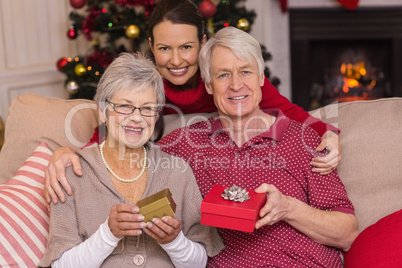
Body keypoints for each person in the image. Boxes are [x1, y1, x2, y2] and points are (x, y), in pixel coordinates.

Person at [44, 0, 342, 205]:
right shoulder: (146, 85)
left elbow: (288, 111)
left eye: (186, 47)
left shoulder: (226, 81)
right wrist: (68, 153)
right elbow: (110, 132)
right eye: (164, 48)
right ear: (151, 46)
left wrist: (328, 133)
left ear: (202, 42)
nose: (176, 61)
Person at [157, 26, 359, 267]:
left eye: (245, 72)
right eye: (223, 75)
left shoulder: (302, 140)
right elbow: (128, 161)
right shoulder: (189, 142)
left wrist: (288, 208)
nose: (235, 85)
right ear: (209, 85)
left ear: (261, 77)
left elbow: (348, 235)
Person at [39, 52, 224, 268]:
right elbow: (60, 265)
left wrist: (174, 242)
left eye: (147, 108)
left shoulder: (178, 171)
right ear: (102, 112)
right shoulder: (71, 173)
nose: (136, 117)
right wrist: (108, 235)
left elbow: (200, 262)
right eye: (125, 106)